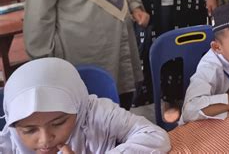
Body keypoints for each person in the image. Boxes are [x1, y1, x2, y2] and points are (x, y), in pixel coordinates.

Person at [0, 58, 171, 153]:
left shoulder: (96, 113)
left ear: (78, 106)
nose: (45, 140)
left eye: (58, 123)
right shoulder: (11, 136)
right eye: (29, 130)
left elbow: (155, 137)